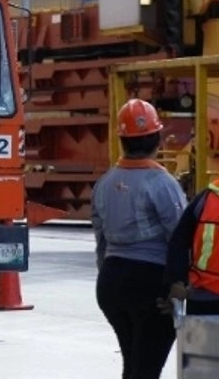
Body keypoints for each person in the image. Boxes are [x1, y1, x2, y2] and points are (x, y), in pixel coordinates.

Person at [91, 98, 187, 379]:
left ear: (122, 140)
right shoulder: (162, 183)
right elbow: (180, 238)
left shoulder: (105, 182)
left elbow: (100, 241)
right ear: (157, 138)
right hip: (149, 283)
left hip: (111, 282)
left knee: (134, 363)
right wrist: (179, 286)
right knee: (146, 367)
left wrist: (110, 276)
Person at [161, 168, 219, 317]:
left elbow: (179, 241)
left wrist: (177, 281)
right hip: (204, 297)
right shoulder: (206, 198)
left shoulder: (206, 199)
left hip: (204, 297)